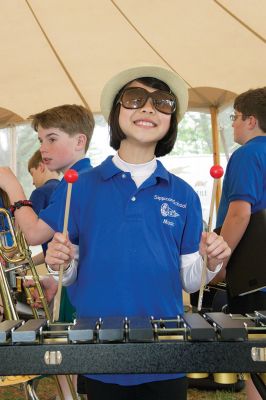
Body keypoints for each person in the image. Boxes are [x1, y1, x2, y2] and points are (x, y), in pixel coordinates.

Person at [44, 65, 231, 400]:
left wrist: (210, 261)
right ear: (117, 114)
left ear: (170, 122)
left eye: (161, 103)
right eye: (135, 99)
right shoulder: (80, 187)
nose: (148, 108)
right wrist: (62, 262)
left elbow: (190, 280)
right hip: (100, 349)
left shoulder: (184, 194)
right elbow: (67, 272)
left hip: (166, 352)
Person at [214, 87, 266, 400]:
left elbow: (239, 213)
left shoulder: (247, 154)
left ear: (250, 120)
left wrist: (219, 262)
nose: (232, 125)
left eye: (234, 118)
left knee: (256, 356)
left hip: (255, 276)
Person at [28, 149, 60, 262]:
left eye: (32, 174)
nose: (32, 182)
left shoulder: (40, 193)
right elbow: (52, 249)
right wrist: (28, 262)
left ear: (41, 167)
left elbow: (27, 236)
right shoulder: (65, 189)